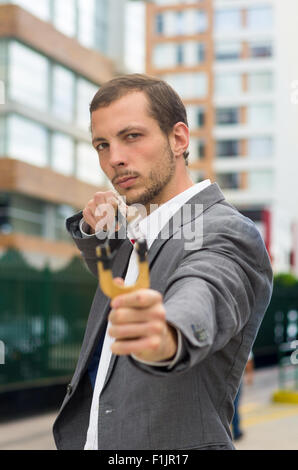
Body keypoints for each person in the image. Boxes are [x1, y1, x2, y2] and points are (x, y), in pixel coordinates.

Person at [52, 74, 273, 450]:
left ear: (179, 139)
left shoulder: (223, 230)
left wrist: (167, 332)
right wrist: (98, 231)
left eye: (132, 136)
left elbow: (204, 288)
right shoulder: (147, 229)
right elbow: (123, 281)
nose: (114, 158)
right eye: (102, 145)